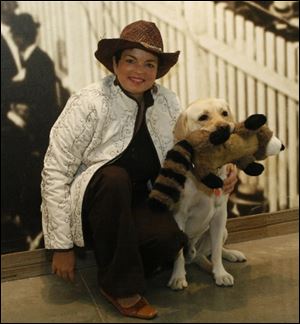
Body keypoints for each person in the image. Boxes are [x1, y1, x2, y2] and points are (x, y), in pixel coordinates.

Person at [41, 20, 238, 320]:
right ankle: (121, 287)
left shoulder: (168, 102)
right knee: (114, 177)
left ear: (157, 71)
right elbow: (54, 170)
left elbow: (190, 148)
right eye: (130, 60)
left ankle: (119, 267)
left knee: (171, 240)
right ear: (115, 63)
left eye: (149, 64)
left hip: (142, 197)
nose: (139, 70)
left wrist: (226, 168)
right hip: (97, 200)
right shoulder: (89, 102)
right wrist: (61, 246)